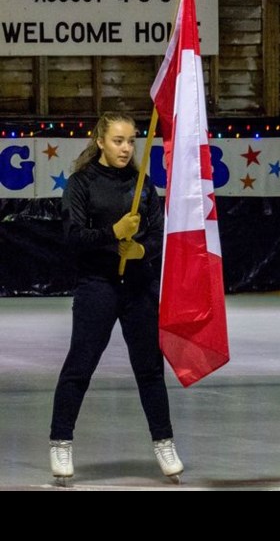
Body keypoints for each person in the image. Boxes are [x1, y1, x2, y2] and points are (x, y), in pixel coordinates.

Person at [49, 113, 183, 484]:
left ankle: (164, 441)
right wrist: (113, 232)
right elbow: (73, 237)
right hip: (97, 286)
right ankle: (61, 441)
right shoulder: (81, 183)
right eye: (119, 140)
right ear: (100, 141)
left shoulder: (142, 184)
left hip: (138, 288)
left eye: (131, 141)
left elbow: (159, 234)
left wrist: (140, 250)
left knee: (150, 369)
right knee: (80, 366)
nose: (126, 148)